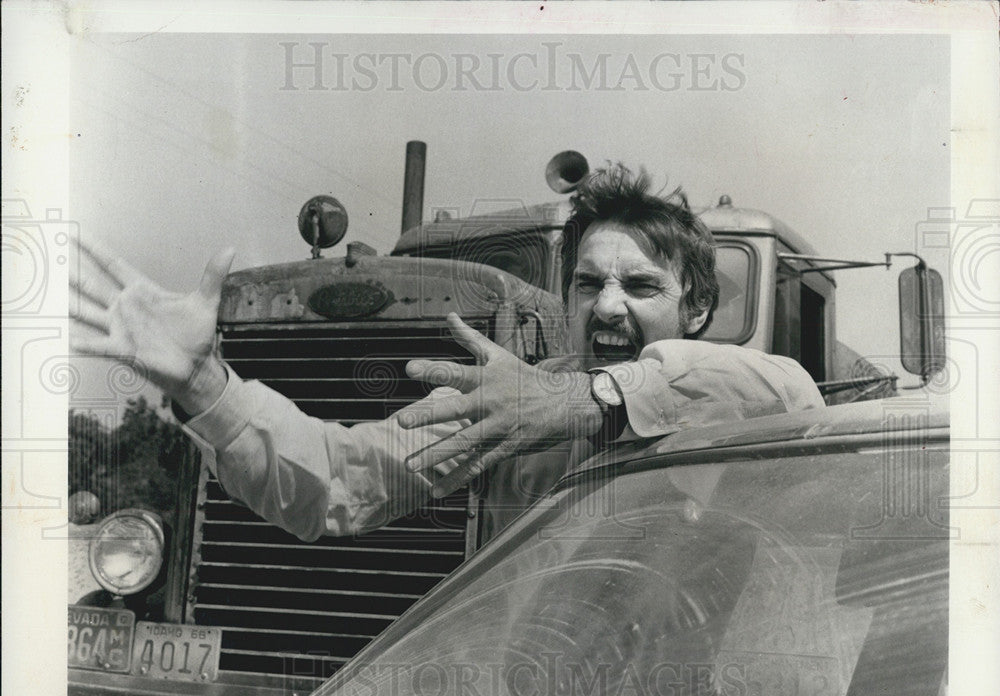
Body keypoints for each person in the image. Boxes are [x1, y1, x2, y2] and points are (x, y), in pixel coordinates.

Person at [70, 165, 824, 544]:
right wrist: (205, 384)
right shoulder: (507, 401)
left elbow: (787, 392)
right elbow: (338, 482)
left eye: (640, 285)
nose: (608, 304)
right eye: (588, 282)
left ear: (696, 308)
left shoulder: (747, 389)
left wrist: (572, 403)